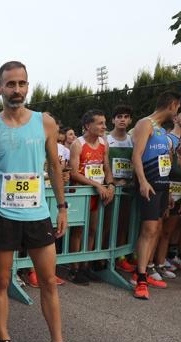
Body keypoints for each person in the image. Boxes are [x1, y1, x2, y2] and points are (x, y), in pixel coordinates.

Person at [0, 61, 80, 342]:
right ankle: (3, 341)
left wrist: (61, 207)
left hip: (37, 214)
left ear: (27, 86)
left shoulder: (45, 122)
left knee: (48, 281)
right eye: (10, 84)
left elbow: (52, 166)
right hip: (2, 214)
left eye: (21, 83)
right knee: (2, 281)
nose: (16, 89)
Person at [131, 91, 181, 299]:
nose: (178, 112)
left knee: (157, 228)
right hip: (149, 185)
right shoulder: (146, 123)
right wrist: (142, 181)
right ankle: (140, 278)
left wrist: (168, 191)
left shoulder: (161, 130)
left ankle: (146, 269)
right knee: (149, 229)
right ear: (172, 104)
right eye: (178, 108)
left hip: (162, 186)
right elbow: (136, 155)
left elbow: (166, 162)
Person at [68, 109, 114, 284]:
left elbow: (106, 166)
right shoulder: (77, 144)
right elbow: (73, 173)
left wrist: (110, 184)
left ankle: (85, 266)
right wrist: (96, 185)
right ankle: (74, 269)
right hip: (82, 194)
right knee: (78, 231)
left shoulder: (104, 143)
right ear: (88, 125)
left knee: (93, 230)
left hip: (98, 194)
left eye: (104, 122)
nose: (104, 126)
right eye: (100, 123)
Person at [154, 129, 181, 280]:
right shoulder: (170, 154)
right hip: (164, 197)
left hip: (179, 201)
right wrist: (167, 196)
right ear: (180, 139)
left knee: (166, 233)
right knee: (156, 231)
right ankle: (149, 265)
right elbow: (163, 175)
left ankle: (161, 265)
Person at [107, 104, 136, 273]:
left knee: (124, 224)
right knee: (107, 224)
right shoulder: (105, 139)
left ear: (130, 120)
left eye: (126, 116)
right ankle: (102, 257)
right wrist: (111, 181)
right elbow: (103, 164)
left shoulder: (133, 140)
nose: (122, 119)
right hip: (110, 188)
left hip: (127, 190)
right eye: (119, 116)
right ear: (113, 120)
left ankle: (121, 257)